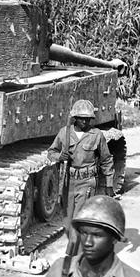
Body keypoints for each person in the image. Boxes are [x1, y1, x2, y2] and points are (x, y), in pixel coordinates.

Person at [47, 99, 116, 240]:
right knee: (67, 221)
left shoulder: (96, 135)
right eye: (81, 119)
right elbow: (51, 153)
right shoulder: (64, 133)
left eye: (88, 119)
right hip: (68, 183)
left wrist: (109, 183)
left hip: (87, 183)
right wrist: (60, 156)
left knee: (80, 220)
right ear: (75, 118)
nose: (85, 122)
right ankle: (75, 250)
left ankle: (75, 255)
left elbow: (106, 159)